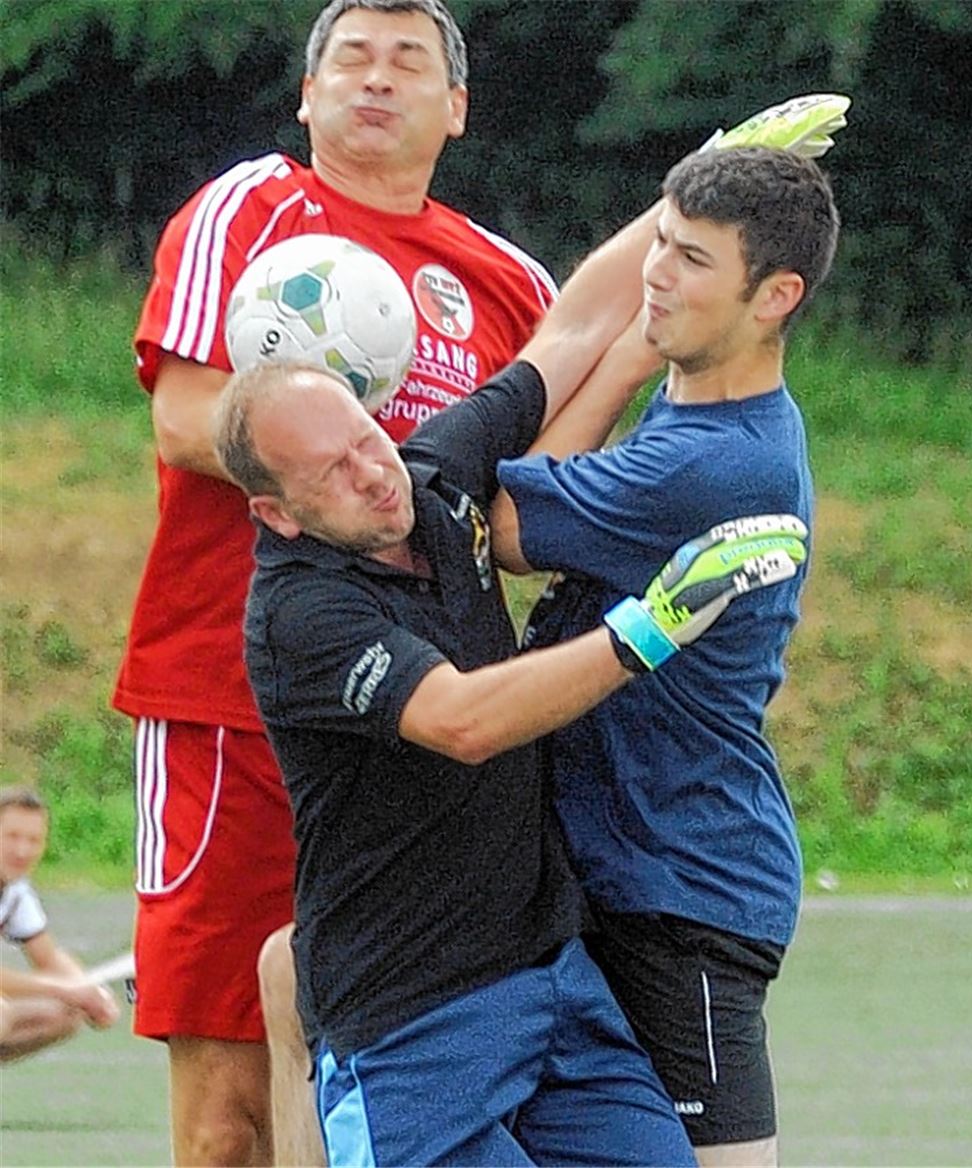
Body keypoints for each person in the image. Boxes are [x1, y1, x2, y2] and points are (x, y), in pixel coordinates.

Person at [212, 177, 807, 1162]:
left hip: (554, 986)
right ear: (276, 513)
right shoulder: (300, 614)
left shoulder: (428, 478)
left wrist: (699, 173)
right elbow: (464, 719)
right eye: (332, 474)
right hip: (410, 1019)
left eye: (365, 438)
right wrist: (651, 625)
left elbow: (570, 334)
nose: (372, 473)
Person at [113, 1, 560, 1161]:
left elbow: (532, 506)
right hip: (232, 704)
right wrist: (365, 464)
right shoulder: (252, 209)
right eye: (350, 57)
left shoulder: (508, 281)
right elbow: (184, 418)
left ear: (456, 108)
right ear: (307, 95)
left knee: (424, 1086)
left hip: (426, 727)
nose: (376, 78)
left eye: (408, 60)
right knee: (230, 1116)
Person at [491, 145, 841, 1167]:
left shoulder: (711, 465)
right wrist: (639, 350)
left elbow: (504, 523)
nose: (655, 273)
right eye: (660, 242)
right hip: (621, 867)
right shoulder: (704, 401)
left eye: (691, 259)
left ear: (775, 297)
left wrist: (620, 357)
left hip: (678, 886)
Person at [0, 787, 120, 1061]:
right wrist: (63, 989)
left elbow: (48, 958)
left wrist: (91, 991)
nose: (22, 850)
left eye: (34, 840)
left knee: (64, 1013)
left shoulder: (16, 891)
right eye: (12, 836)